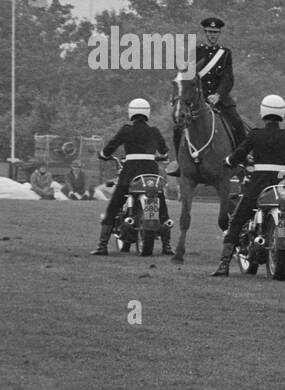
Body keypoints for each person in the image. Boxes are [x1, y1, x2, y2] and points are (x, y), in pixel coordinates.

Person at [211, 95, 285, 279]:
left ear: (263, 112)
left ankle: (224, 264)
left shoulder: (255, 134)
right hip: (281, 186)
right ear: (282, 112)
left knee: (237, 221)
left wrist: (228, 160)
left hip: (258, 186)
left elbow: (239, 154)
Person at [92, 99, 171, 255]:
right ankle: (167, 246)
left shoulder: (126, 130)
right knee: (161, 207)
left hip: (130, 174)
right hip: (150, 175)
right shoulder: (154, 131)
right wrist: (157, 156)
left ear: (131, 112)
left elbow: (110, 147)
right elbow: (164, 152)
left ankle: (102, 246)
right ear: (147, 113)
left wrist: (103, 154)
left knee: (114, 207)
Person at [168, 17, 244, 175]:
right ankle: (179, 162)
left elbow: (228, 78)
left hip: (219, 99)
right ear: (205, 32)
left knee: (237, 123)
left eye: (215, 32)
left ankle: (241, 159)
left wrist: (218, 95)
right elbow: (187, 78)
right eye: (209, 32)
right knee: (178, 128)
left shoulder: (225, 53)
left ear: (219, 33)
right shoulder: (195, 52)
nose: (212, 35)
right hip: (197, 99)